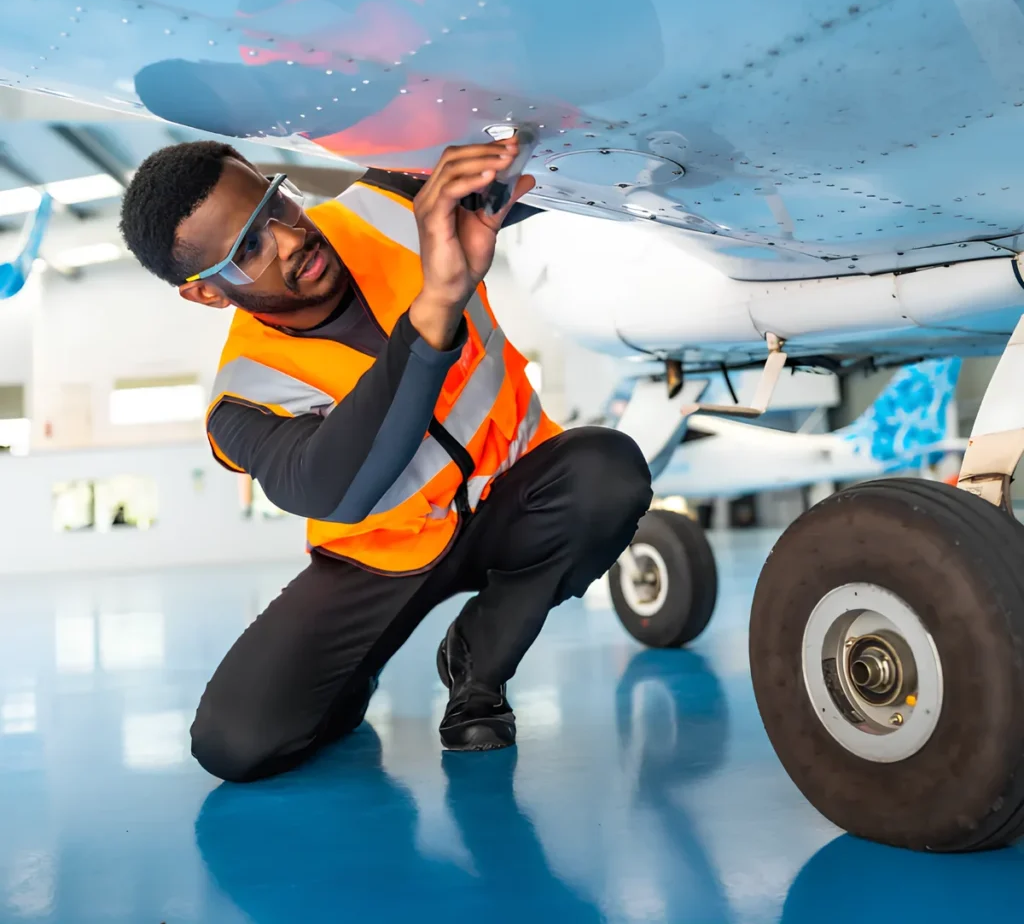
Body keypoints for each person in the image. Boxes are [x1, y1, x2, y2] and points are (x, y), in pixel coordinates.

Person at [119, 136, 652, 782]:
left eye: (273, 206)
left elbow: (564, 160)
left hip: (516, 498)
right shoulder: (244, 398)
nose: (288, 240)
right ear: (208, 294)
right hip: (381, 559)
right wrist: (437, 305)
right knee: (235, 742)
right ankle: (350, 683)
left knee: (607, 474)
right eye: (249, 250)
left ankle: (475, 665)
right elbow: (334, 489)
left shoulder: (397, 200)